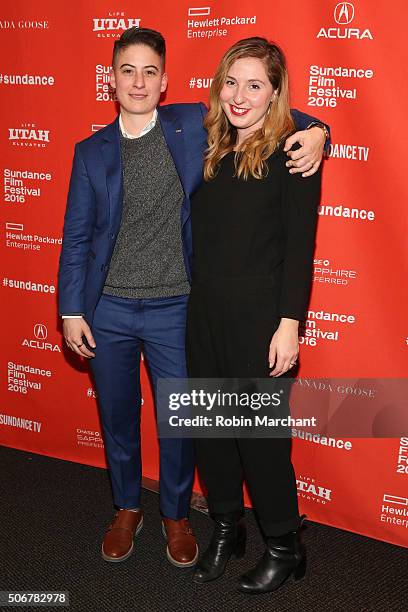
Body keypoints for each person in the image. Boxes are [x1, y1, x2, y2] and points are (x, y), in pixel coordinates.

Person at [58, 27, 328, 569]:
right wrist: (71, 309)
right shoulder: (91, 152)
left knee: (187, 423)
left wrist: (322, 130)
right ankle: (128, 508)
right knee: (121, 418)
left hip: (175, 308)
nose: (138, 82)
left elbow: (275, 117)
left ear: (165, 82)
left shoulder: (188, 127)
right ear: (110, 79)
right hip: (110, 309)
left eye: (149, 71)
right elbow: (77, 236)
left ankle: (177, 516)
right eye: (127, 71)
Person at [186, 37, 322, 593]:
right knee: (211, 432)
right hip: (204, 312)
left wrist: (289, 323)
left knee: (260, 439)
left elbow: (300, 247)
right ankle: (226, 527)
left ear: (274, 95)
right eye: (232, 81)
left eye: (255, 85)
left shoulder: (294, 152)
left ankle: (286, 546)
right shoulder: (208, 142)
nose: (240, 95)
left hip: (260, 318)